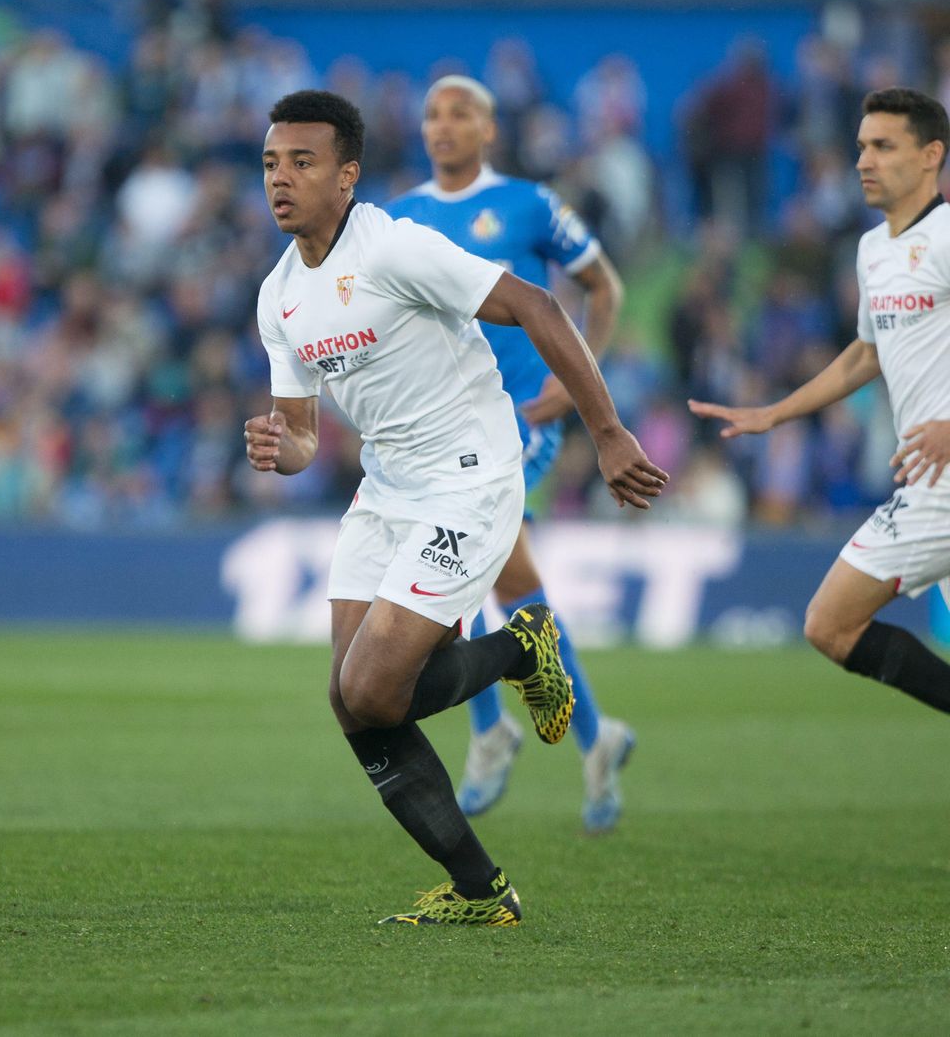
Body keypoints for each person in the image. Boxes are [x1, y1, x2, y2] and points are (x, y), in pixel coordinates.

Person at [245, 90, 666, 925]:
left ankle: (521, 647)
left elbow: (539, 305)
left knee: (372, 685)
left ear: (347, 175)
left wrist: (609, 432)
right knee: (349, 697)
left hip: (469, 476)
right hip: (387, 486)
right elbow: (301, 433)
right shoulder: (278, 296)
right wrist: (280, 449)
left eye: (302, 162)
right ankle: (482, 891)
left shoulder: (397, 248)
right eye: (269, 163)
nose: (280, 180)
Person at [384, 75, 635, 834]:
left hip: (521, 418)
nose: (443, 124)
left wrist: (576, 375)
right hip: (440, 425)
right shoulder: (398, 217)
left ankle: (493, 729)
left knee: (465, 561)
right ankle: (595, 738)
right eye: (431, 113)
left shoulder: (530, 203)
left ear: (490, 128)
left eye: (461, 112)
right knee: (501, 577)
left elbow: (604, 287)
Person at [691, 87, 950, 716]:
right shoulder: (871, 250)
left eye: (883, 146)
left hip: (942, 482)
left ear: (930, 156)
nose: (863, 160)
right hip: (927, 480)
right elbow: (865, 355)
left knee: (829, 622)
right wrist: (774, 412)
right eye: (861, 146)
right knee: (830, 625)